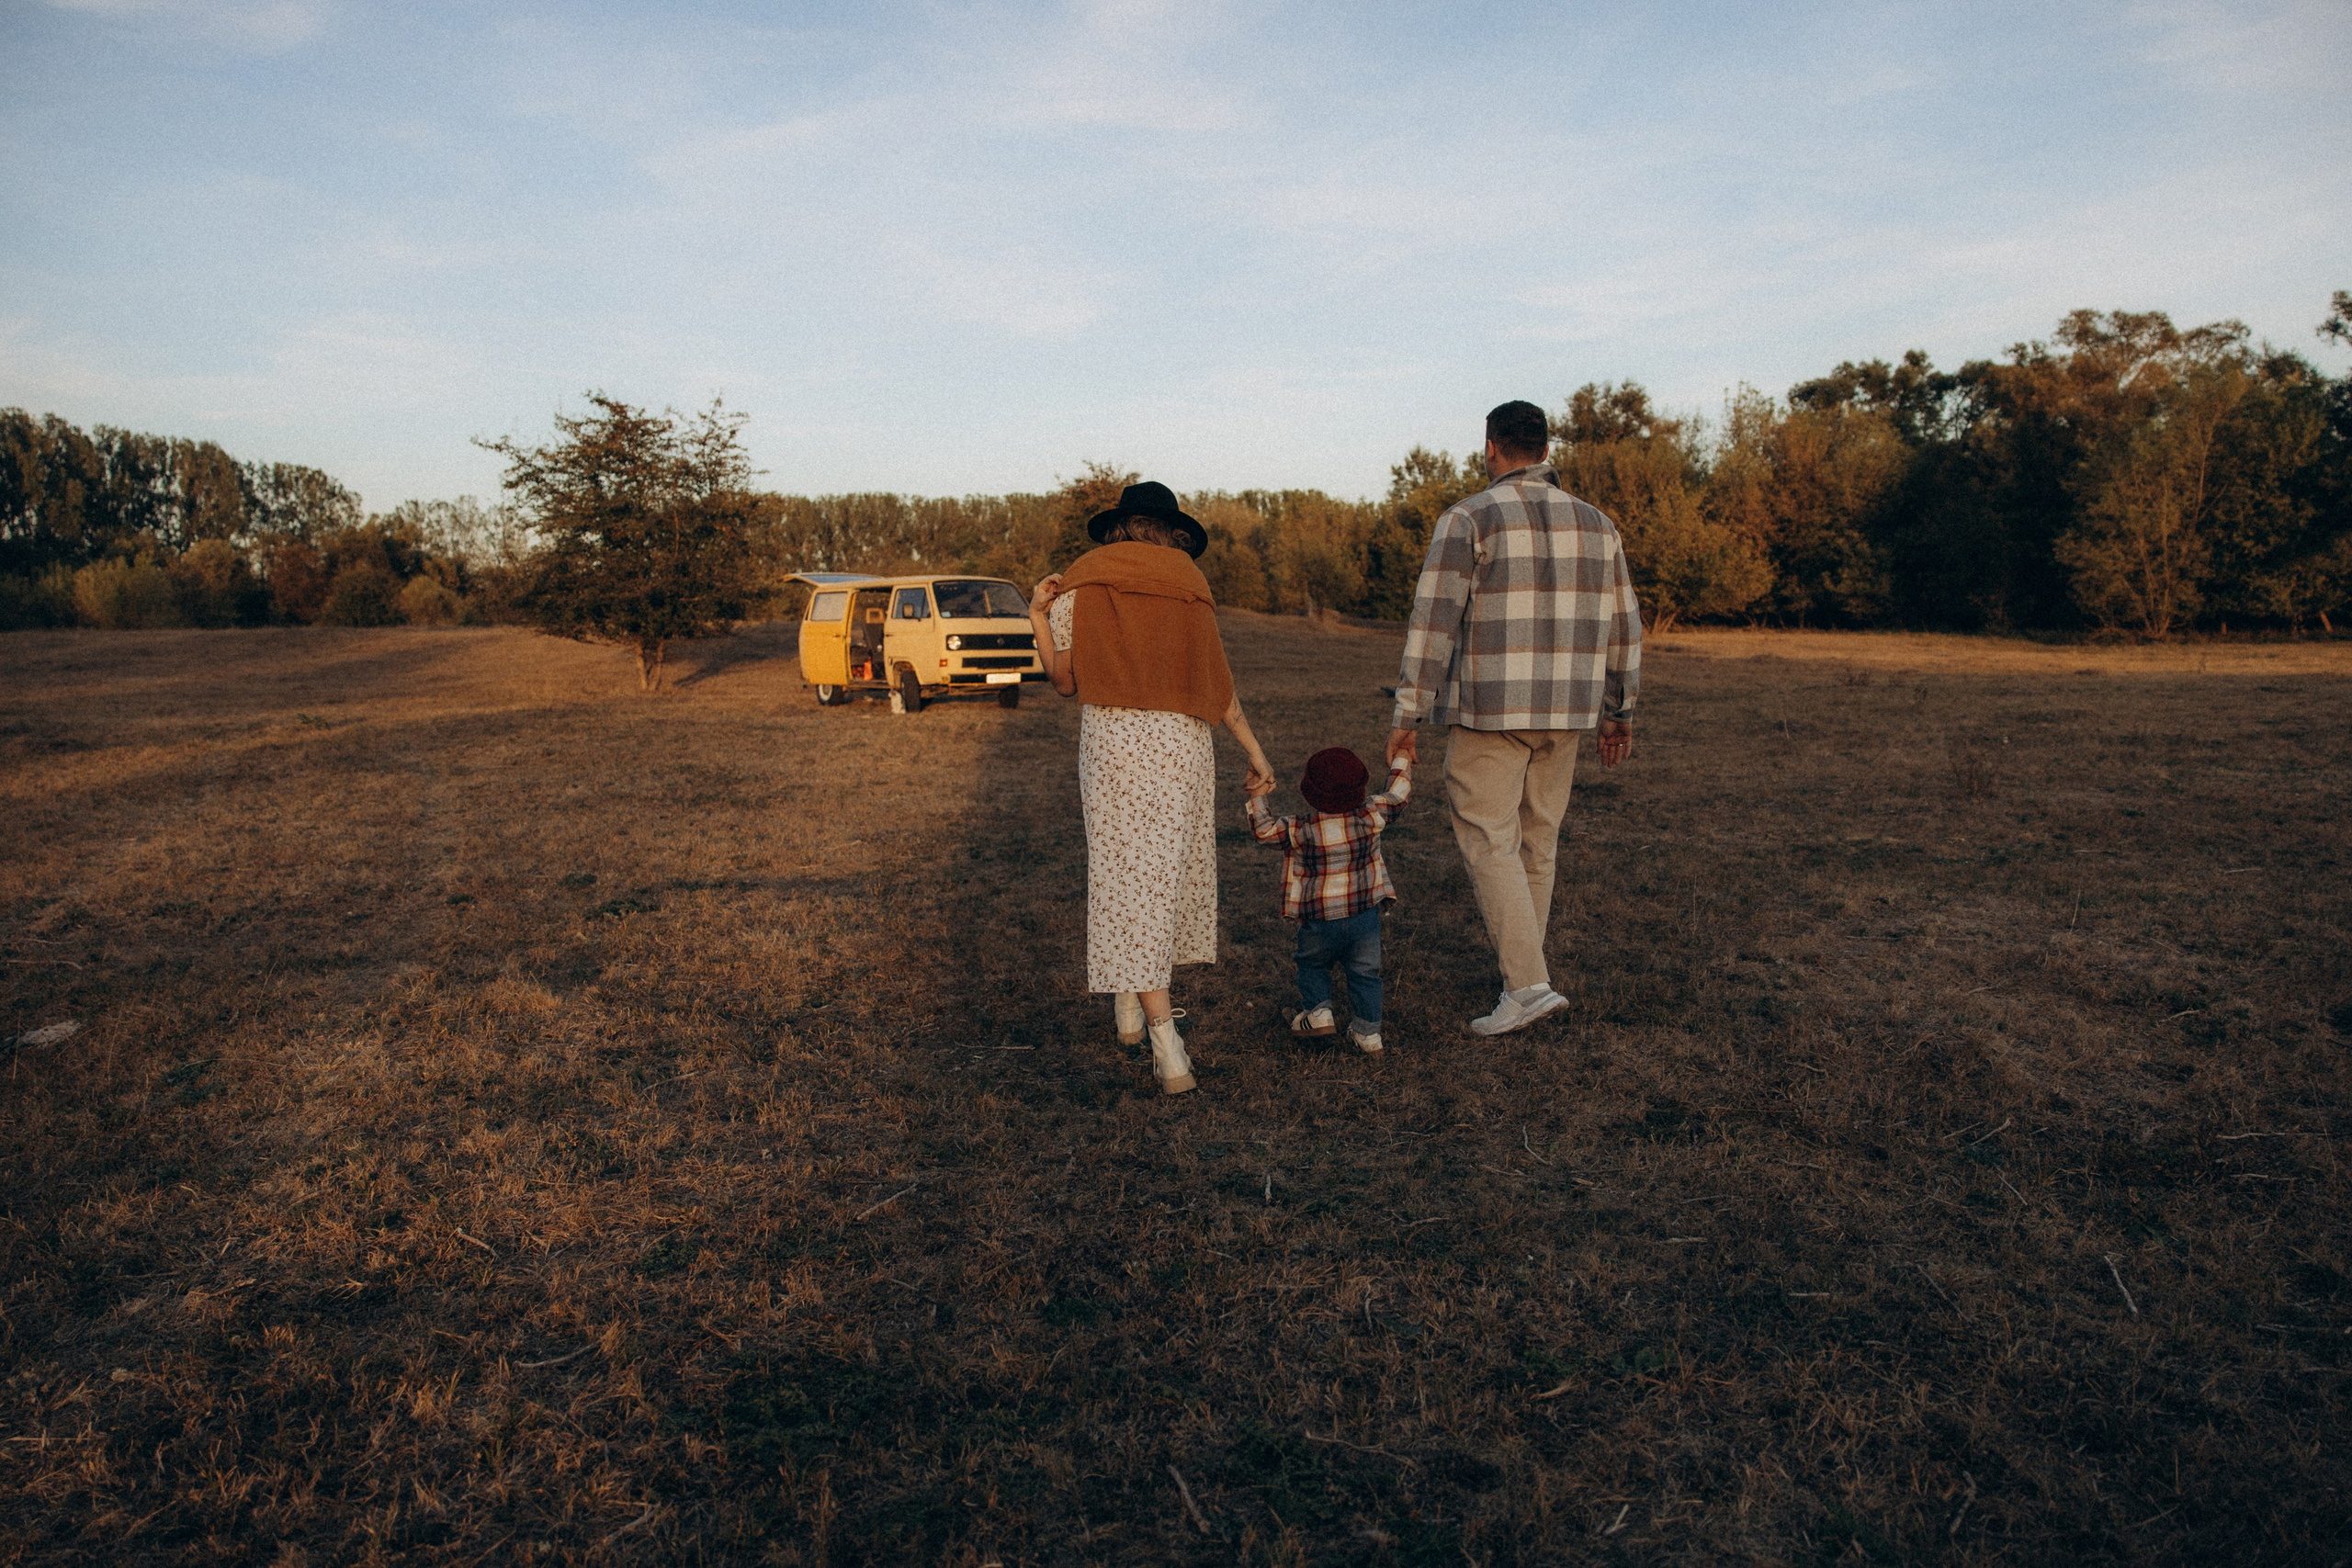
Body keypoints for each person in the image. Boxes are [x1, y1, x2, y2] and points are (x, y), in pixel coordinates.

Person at [1386, 400, 1642, 1036]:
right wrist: (1621, 708)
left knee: (1487, 836)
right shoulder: (1599, 524)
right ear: (1546, 448)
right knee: (1538, 838)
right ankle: (1525, 976)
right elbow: (1624, 624)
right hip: (1570, 711)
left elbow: (1433, 621)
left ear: (1491, 446)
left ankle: (1527, 984)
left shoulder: (1469, 517)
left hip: (1493, 707)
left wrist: (1407, 713)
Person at [1030, 481, 1278, 1095]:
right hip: (1180, 748)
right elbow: (1217, 684)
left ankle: (1165, 1045)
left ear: (1120, 525)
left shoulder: (1081, 586)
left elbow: (1063, 682)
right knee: (1157, 878)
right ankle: (1132, 1009)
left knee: (1122, 875)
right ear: (1171, 531)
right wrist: (1253, 748)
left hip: (1112, 747)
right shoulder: (1191, 588)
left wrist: (1036, 613)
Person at [1245, 746, 1412, 1055]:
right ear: (1360, 787)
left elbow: (1264, 831)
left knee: (1312, 965)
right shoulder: (1372, 815)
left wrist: (1258, 793)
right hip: (1365, 917)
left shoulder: (1300, 828)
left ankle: (1319, 1012)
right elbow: (1399, 794)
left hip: (1319, 920)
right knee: (1365, 973)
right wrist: (1401, 757)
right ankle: (1368, 1033)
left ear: (1309, 792)